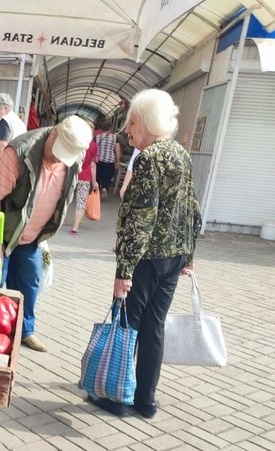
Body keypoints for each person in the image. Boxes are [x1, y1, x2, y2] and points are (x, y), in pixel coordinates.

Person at [88, 89, 202, 419]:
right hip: (173, 257)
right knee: (154, 327)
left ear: (146, 122)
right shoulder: (181, 154)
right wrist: (189, 253)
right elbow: (191, 207)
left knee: (128, 325)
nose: (128, 130)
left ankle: (118, 396)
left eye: (132, 122)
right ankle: (146, 400)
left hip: (148, 258)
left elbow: (141, 217)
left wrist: (123, 271)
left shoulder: (150, 158)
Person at [0, 116, 93, 352]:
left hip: (32, 235)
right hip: (3, 232)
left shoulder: (74, 156)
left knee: (29, 282)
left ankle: (24, 331)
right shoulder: (19, 152)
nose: (58, 159)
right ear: (53, 133)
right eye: (58, 152)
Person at [0, 93, 27, 181]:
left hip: (0, 172)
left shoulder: (5, 121)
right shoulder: (20, 123)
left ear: (6, 108)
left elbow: (1, 145)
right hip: (14, 172)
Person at [66, 120, 98, 234]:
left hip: (72, 173)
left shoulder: (74, 141)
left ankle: (61, 220)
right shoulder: (93, 146)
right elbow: (93, 164)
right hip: (85, 177)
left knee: (65, 198)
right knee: (81, 202)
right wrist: (94, 182)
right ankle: (75, 227)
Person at [94, 122, 120, 197]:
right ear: (110, 128)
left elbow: (94, 148)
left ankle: (97, 191)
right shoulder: (115, 137)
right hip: (110, 160)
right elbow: (117, 150)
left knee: (98, 176)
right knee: (107, 176)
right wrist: (117, 160)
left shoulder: (97, 137)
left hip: (99, 160)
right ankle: (105, 188)